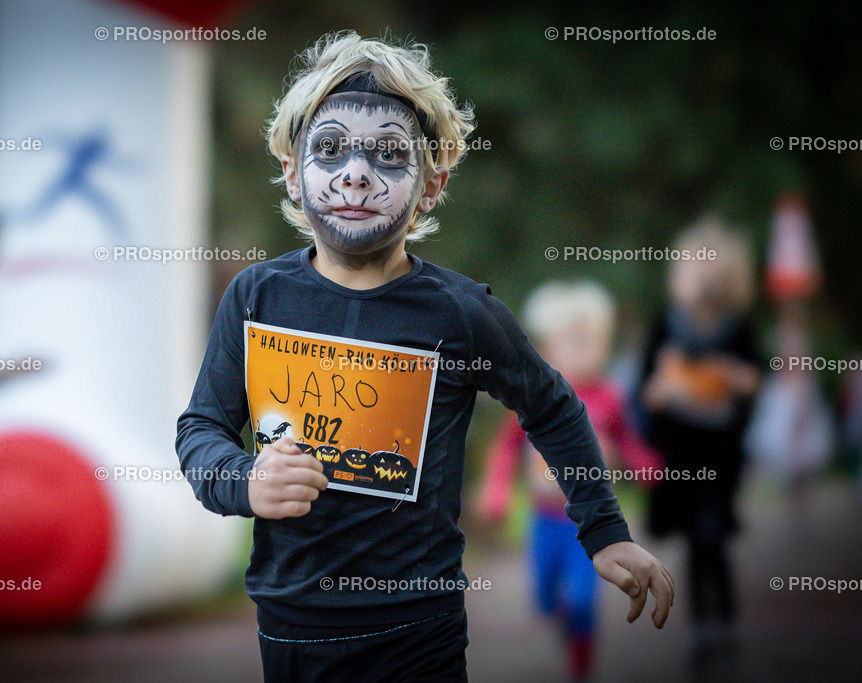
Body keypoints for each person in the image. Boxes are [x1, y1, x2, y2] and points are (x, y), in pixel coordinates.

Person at [176, 31, 674, 682]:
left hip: (418, 632)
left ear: (432, 184)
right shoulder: (256, 297)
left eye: (388, 154)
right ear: (294, 174)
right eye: (330, 149)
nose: (356, 173)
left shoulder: (460, 313)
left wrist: (604, 531)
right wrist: (245, 481)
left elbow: (553, 407)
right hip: (290, 624)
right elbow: (202, 429)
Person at [478, 281, 663, 681]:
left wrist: (644, 464)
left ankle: (581, 664)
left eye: (591, 340)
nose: (582, 349)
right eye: (571, 340)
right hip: (544, 520)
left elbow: (626, 439)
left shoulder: (609, 397)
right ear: (546, 347)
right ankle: (565, 622)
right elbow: (506, 448)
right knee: (545, 600)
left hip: (589, 522)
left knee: (581, 599)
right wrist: (496, 491)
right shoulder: (534, 396)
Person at [634, 216, 760, 677]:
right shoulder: (666, 327)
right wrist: (668, 384)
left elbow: (753, 381)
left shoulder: (737, 328)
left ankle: (721, 622)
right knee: (693, 537)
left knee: (712, 534)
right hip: (677, 455)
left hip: (720, 454)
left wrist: (728, 375)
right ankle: (702, 627)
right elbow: (646, 393)